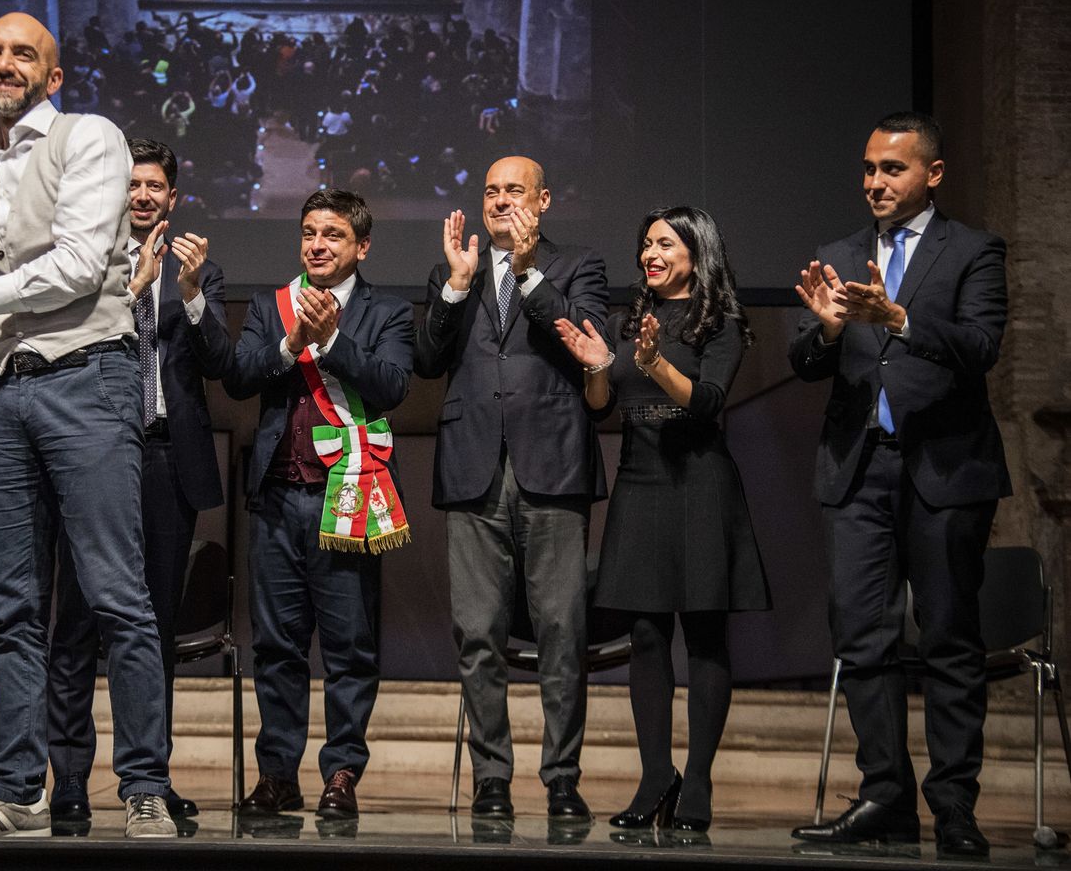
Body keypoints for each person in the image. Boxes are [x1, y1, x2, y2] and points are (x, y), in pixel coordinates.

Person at [0, 12, 177, 839]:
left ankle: (145, 785)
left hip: (88, 380)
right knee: (10, 606)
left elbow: (84, 266)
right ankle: (14, 789)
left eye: (24, 54)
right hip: (7, 392)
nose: (3, 63)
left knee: (118, 597)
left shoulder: (90, 137)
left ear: (52, 77)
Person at [789, 112, 1009, 859]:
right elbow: (808, 362)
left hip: (944, 470)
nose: (874, 183)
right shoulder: (839, 253)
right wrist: (822, 330)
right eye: (868, 169)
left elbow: (981, 346)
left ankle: (954, 807)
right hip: (859, 470)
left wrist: (902, 318)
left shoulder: (973, 250)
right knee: (862, 638)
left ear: (932, 175)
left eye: (892, 170)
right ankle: (885, 795)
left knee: (948, 640)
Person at [555, 207, 770, 834]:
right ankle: (656, 775)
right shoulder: (631, 320)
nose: (650, 253)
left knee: (703, 634)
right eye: (645, 242)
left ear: (696, 254)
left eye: (665, 243)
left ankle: (697, 780)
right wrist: (598, 367)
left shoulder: (719, 320)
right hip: (640, 481)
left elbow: (706, 403)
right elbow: (602, 409)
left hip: (699, 483)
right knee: (646, 635)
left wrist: (653, 363)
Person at [47, 139, 233, 831]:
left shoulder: (198, 274)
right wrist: (129, 292)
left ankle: (147, 777)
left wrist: (186, 295)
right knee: (73, 625)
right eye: (132, 185)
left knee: (151, 629)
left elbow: (219, 362)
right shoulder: (85, 261)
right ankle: (68, 777)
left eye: (155, 186)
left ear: (172, 198)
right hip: (91, 455)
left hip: (164, 461)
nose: (143, 196)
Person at [415, 156, 608, 821]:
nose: (500, 202)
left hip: (551, 464)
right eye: (491, 190)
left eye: (514, 191)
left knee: (560, 629)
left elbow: (584, 340)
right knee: (476, 633)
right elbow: (427, 360)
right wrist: (452, 293)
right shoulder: (454, 269)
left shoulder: (577, 264)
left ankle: (561, 777)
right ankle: (491, 777)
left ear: (544, 200)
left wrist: (526, 271)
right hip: (472, 467)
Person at [224, 189, 414, 820]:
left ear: (361, 246)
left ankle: (341, 774)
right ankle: (278, 775)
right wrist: (291, 342)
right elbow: (240, 376)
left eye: (333, 235)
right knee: (276, 647)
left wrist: (332, 342)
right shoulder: (268, 305)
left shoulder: (387, 311)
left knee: (348, 645)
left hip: (350, 496)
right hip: (278, 499)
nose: (318, 245)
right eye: (309, 233)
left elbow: (391, 387)